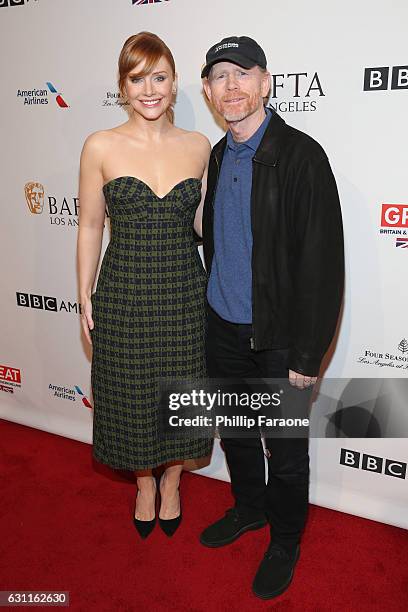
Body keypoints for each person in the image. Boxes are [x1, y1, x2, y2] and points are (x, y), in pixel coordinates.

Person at [198, 36, 344, 599]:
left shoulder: (302, 156)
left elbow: (323, 264)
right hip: (223, 327)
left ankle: (285, 539)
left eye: (242, 73)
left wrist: (309, 355)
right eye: (218, 77)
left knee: (284, 451)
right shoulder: (216, 153)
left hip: (280, 339)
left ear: (265, 82)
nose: (230, 86)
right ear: (209, 91)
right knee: (236, 434)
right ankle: (249, 510)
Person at [77, 32, 212, 540]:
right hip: (125, 292)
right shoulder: (101, 146)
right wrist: (83, 292)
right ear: (123, 85)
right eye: (138, 79)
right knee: (130, 395)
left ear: (175, 83)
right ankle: (144, 485)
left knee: (182, 390)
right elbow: (90, 225)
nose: (149, 89)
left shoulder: (199, 147)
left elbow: (204, 226)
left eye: (159, 77)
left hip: (183, 292)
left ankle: (172, 480)